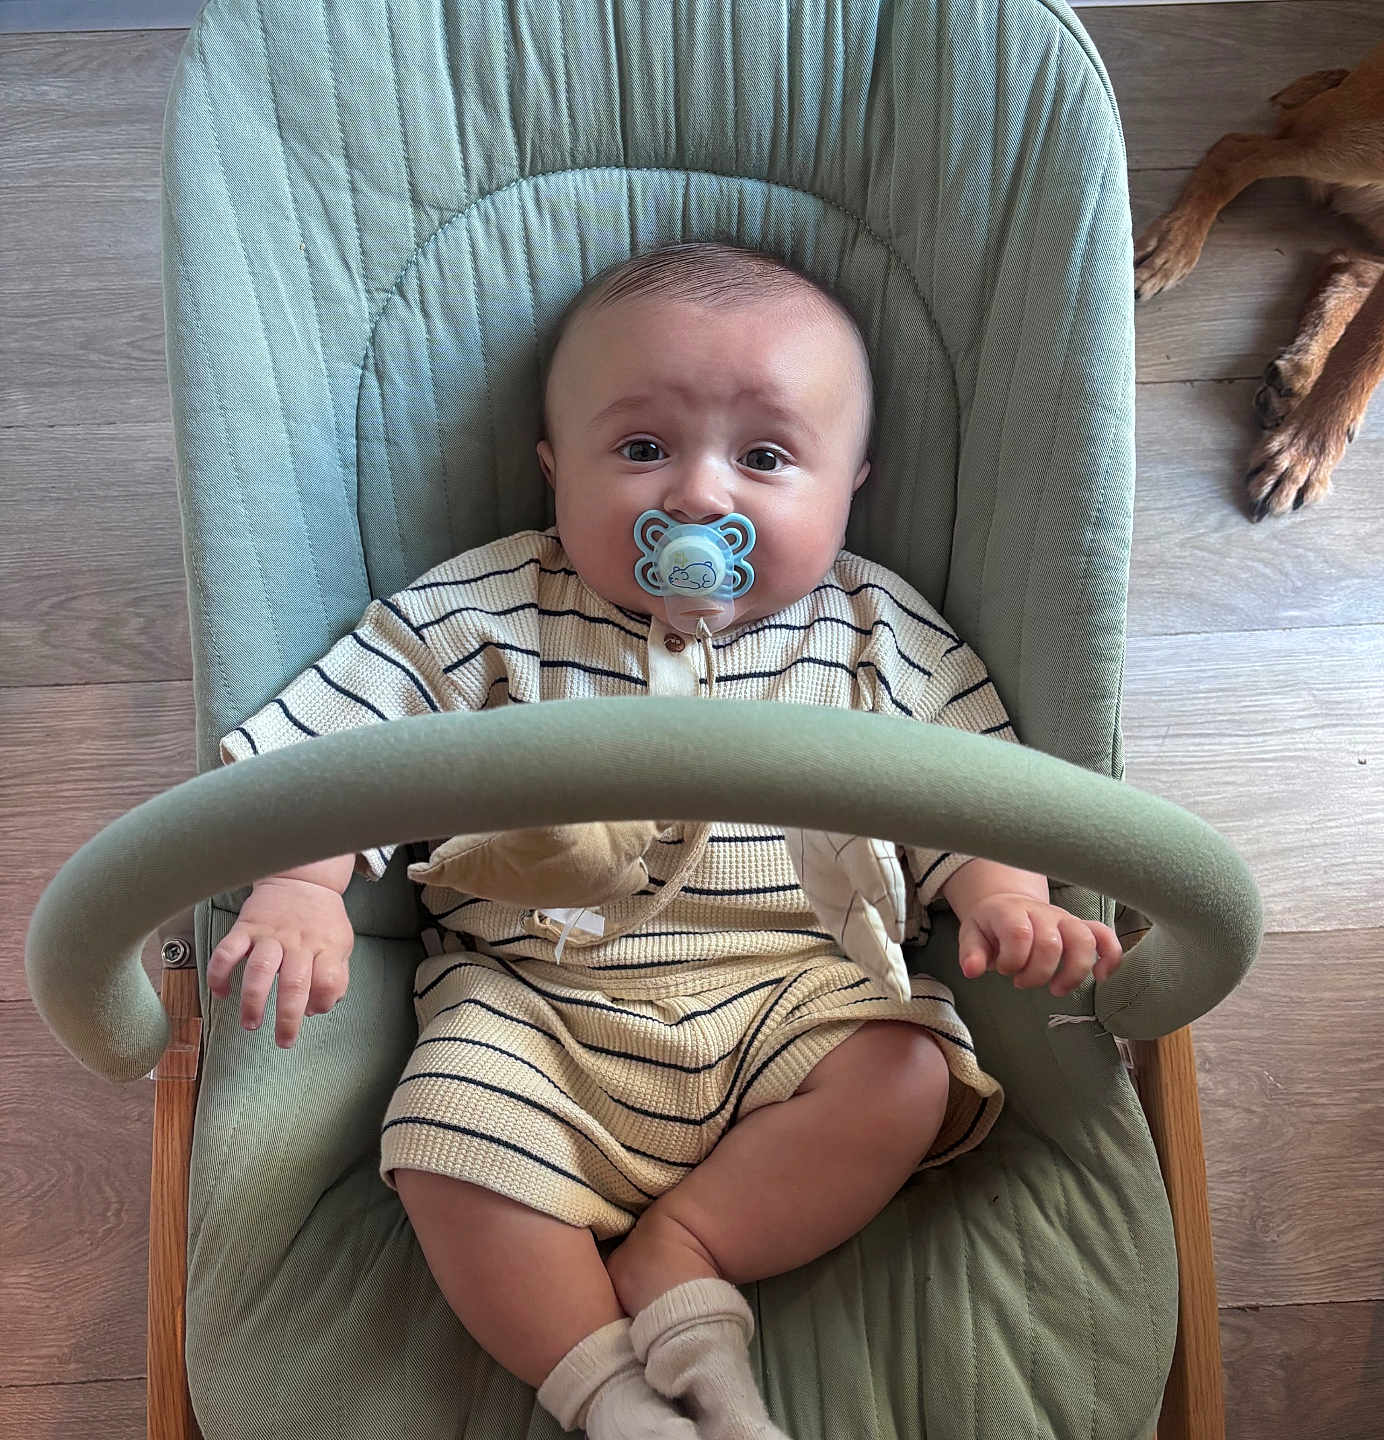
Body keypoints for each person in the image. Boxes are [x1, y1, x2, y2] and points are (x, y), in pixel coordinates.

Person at [208, 241, 1125, 1440]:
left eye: (765, 458)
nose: (697, 497)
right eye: (642, 449)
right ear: (554, 470)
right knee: (441, 1137)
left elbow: (975, 784)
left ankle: (686, 1254)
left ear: (852, 486)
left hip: (797, 995)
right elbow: (343, 741)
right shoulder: (489, 608)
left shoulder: (874, 628)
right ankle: (610, 1393)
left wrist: (1005, 894)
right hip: (535, 1007)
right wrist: (299, 883)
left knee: (905, 1075)